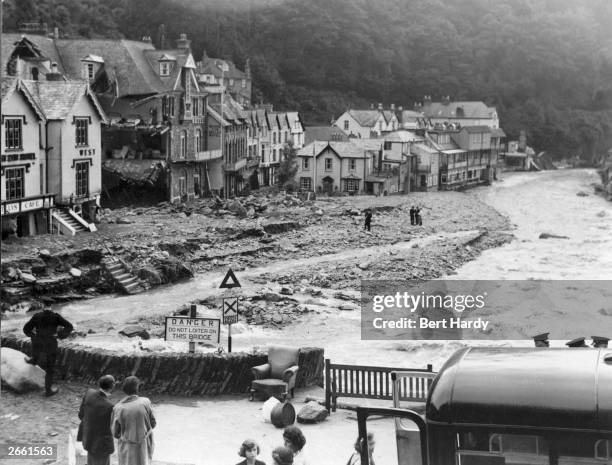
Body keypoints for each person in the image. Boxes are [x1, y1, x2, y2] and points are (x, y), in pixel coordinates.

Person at [23, 306, 73, 396]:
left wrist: (33, 336)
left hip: (38, 342)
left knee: (36, 351)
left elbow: (26, 329)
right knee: (50, 368)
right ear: (51, 307)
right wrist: (60, 335)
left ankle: (33, 360)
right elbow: (69, 326)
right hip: (51, 342)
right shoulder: (56, 317)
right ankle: (48, 390)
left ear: (43, 307)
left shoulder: (36, 316)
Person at [112, 376, 156, 465]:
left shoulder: (117, 408)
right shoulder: (146, 402)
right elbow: (153, 423)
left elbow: (115, 433)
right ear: (137, 388)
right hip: (144, 445)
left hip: (127, 448)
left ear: (124, 389)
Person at [78, 375, 116, 465]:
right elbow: (112, 428)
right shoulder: (110, 406)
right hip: (101, 445)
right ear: (112, 386)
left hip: (88, 438)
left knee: (91, 461)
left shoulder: (89, 393)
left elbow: (81, 415)